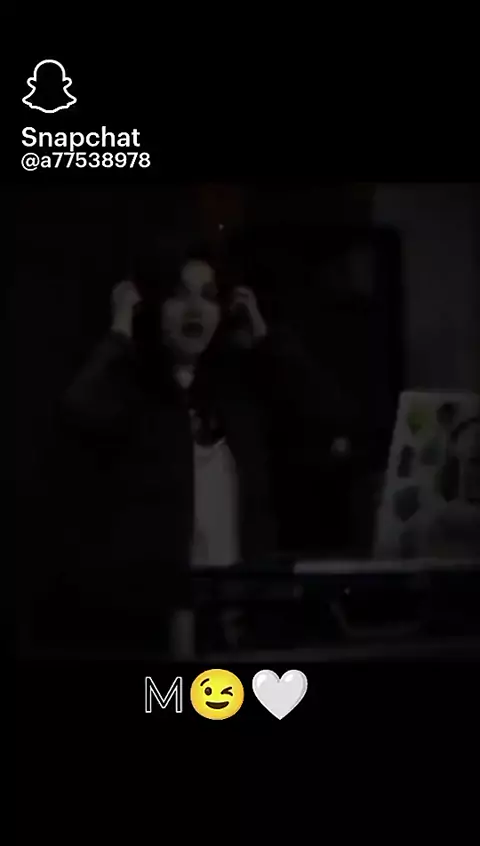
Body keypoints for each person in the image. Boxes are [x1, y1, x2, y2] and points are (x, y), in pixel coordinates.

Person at [38, 242, 355, 653]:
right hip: (151, 623)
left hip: (238, 611)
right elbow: (78, 417)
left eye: (208, 296)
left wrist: (266, 337)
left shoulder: (237, 391)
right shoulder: (129, 389)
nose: (195, 309)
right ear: (151, 305)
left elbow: (327, 418)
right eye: (178, 294)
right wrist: (120, 330)